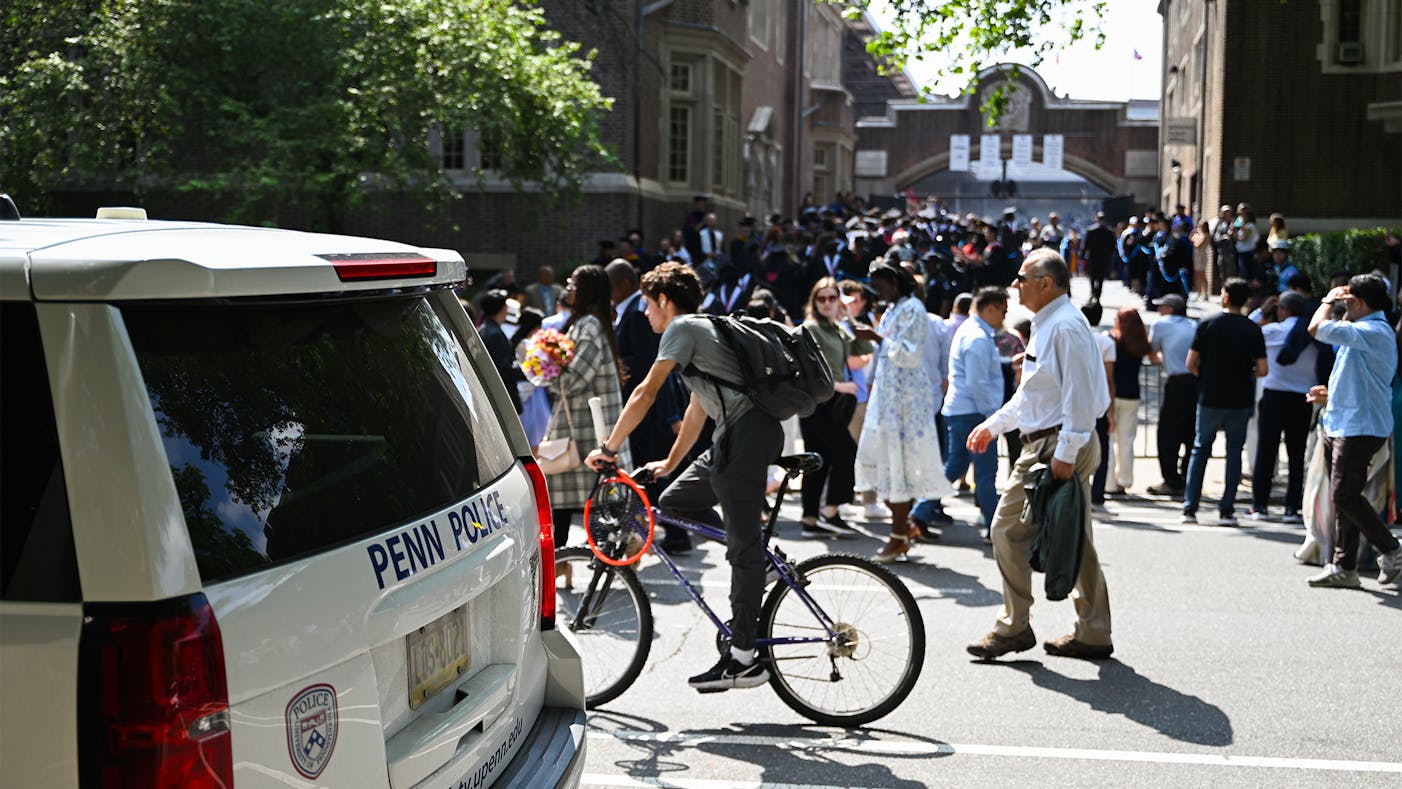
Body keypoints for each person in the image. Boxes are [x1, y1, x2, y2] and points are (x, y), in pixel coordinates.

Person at [585, 262, 780, 691]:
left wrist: (610, 447)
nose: (643, 314)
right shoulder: (705, 328)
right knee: (673, 502)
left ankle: (744, 657)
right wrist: (672, 463)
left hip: (745, 437)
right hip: (738, 435)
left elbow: (645, 391)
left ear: (665, 301)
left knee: (743, 556)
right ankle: (761, 562)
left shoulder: (682, 329)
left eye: (647, 305)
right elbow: (697, 406)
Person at [964, 249, 1113, 661]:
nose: (1015, 285)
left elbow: (1079, 397)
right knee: (1073, 538)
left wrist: (1066, 452)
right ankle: (1091, 631)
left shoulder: (1064, 326)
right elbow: (1035, 395)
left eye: (1022, 278)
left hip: (1056, 445)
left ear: (1045, 284)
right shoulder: (1051, 324)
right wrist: (994, 426)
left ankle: (1015, 626)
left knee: (1009, 530)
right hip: (1050, 442)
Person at [1305, 274, 1402, 587]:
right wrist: (1330, 393)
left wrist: (1326, 300)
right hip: (1346, 421)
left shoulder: (1372, 330)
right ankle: (1344, 567)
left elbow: (1316, 328)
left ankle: (1391, 549)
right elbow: (1359, 378)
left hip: (1361, 427)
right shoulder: (1364, 330)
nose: (1341, 307)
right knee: (1346, 497)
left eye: (1347, 302)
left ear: (1359, 303)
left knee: (1344, 495)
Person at [854, 261, 953, 563]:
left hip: (906, 403)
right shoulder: (892, 310)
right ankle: (903, 528)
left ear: (896, 283)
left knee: (900, 465)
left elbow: (909, 354)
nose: (879, 292)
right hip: (888, 398)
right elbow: (883, 354)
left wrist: (876, 337)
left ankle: (899, 534)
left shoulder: (914, 309)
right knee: (885, 463)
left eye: (882, 285)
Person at [542, 265, 633, 544]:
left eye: (572, 284)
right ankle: (583, 560)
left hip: (589, 428)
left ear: (587, 291)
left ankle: (595, 561)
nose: (567, 289)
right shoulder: (589, 322)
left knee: (589, 499)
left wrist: (545, 371)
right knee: (591, 499)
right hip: (587, 425)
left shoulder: (589, 324)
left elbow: (575, 378)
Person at [607, 259, 689, 551]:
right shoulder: (634, 311)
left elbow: (647, 364)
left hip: (653, 411)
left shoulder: (637, 315)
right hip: (657, 407)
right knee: (658, 469)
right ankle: (666, 530)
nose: (646, 310)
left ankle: (674, 532)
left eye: (612, 283)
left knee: (655, 470)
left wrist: (613, 365)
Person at [1180, 278, 1268, 525]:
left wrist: (1206, 375)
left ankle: (1190, 506)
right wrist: (1245, 372)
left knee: (1201, 449)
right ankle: (1227, 508)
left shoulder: (1208, 324)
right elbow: (1263, 369)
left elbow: (1190, 363)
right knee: (1233, 453)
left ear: (1226, 296)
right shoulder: (1252, 329)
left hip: (1210, 394)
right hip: (1240, 397)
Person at [797, 278, 871, 537]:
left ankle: (810, 519)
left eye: (832, 298)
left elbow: (864, 347)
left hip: (835, 403)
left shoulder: (837, 328)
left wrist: (849, 316)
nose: (828, 303)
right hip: (818, 404)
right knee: (844, 451)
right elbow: (806, 370)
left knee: (821, 460)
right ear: (814, 301)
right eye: (823, 298)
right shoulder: (810, 328)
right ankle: (829, 511)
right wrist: (839, 386)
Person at [942, 287, 1011, 533]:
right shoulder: (978, 337)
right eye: (1003, 310)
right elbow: (977, 382)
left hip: (963, 410)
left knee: (956, 466)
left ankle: (920, 512)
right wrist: (991, 417)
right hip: (974, 413)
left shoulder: (974, 332)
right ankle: (994, 526)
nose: (1005, 317)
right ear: (990, 308)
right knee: (985, 472)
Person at [1247, 291, 1318, 522]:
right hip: (1302, 397)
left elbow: (1247, 328)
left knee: (1267, 451)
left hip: (1274, 396)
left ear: (1282, 310)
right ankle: (1292, 508)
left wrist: (1262, 310)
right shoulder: (1313, 333)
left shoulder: (1272, 331)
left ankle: (1260, 505)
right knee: (1296, 456)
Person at [1146, 294, 1197, 497]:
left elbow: (1151, 351)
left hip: (1176, 381)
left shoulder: (1161, 324)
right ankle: (1189, 476)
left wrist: (1163, 359)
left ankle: (1171, 480)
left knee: (1167, 433)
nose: (1158, 310)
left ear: (1170, 310)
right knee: (1191, 431)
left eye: (1162, 307)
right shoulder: (1194, 325)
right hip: (1195, 381)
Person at [1108, 307, 1151, 496]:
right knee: (1126, 441)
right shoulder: (1141, 343)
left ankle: (1108, 482)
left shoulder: (1112, 341)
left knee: (1108, 439)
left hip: (1112, 393)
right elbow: (1155, 358)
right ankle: (1123, 481)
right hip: (1132, 394)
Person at [1082, 302, 1116, 508]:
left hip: (1079, 402)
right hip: (1100, 403)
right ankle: (1097, 495)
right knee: (1101, 452)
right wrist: (1112, 411)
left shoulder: (1078, 339)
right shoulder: (1106, 342)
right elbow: (1110, 379)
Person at [477, 289, 525, 413]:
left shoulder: (485, 328)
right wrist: (529, 371)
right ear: (503, 308)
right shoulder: (494, 334)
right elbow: (503, 370)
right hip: (501, 399)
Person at [511, 307, 552, 448]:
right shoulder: (526, 344)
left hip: (532, 390)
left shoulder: (520, 342)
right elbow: (535, 367)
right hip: (531, 392)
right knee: (537, 433)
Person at [1082, 212, 1118, 303]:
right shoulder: (1109, 231)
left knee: (1092, 276)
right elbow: (1113, 247)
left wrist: (1082, 255)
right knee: (1100, 277)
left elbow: (1086, 244)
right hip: (1104, 258)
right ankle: (1097, 295)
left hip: (1093, 257)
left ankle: (1093, 292)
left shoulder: (1091, 230)